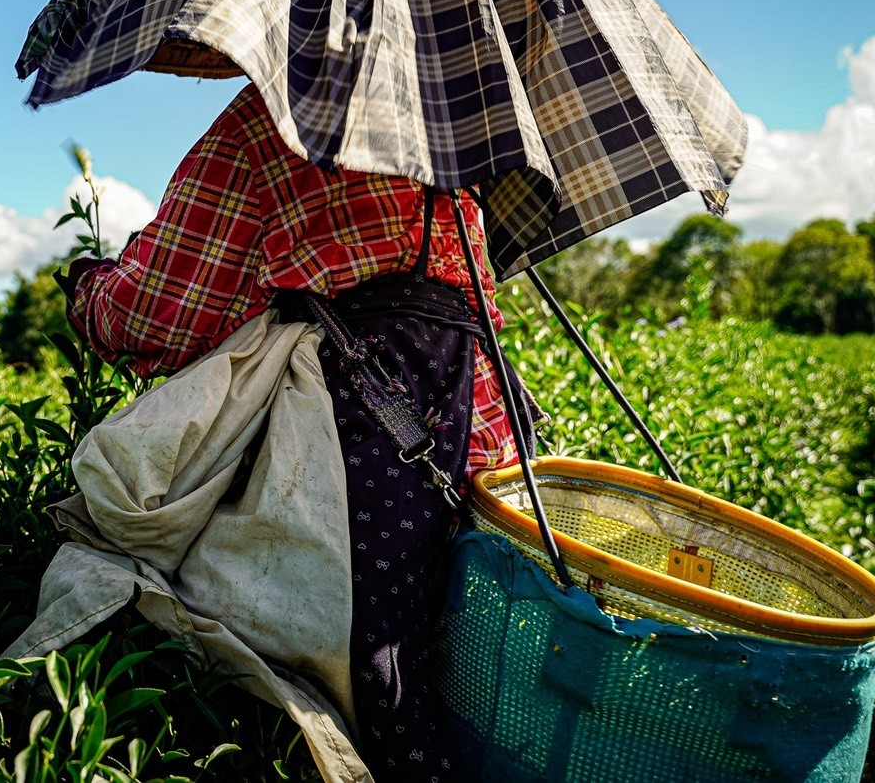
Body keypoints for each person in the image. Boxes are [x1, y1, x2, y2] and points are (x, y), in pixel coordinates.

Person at [62, 81, 536, 779]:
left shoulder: (271, 120)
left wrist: (91, 289)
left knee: (358, 674)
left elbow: (158, 312)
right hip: (488, 424)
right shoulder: (449, 121)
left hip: (358, 422)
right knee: (471, 671)